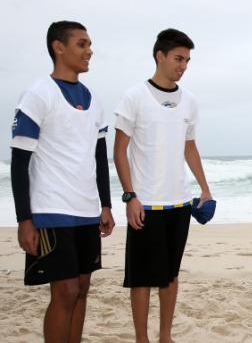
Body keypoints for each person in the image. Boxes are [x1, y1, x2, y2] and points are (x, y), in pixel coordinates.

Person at [10, 20, 115, 343]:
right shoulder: (38, 94)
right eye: (82, 44)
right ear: (59, 46)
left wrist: (106, 205)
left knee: (82, 288)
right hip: (51, 209)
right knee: (65, 290)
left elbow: (99, 159)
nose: (89, 51)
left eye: (89, 44)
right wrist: (25, 219)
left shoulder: (93, 99)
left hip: (86, 209)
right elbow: (19, 162)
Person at [113, 28, 212, 343]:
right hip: (146, 204)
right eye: (178, 58)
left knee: (170, 275)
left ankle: (165, 336)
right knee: (142, 278)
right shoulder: (135, 96)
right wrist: (130, 196)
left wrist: (205, 188)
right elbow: (119, 151)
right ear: (160, 56)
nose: (183, 66)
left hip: (180, 204)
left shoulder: (189, 101)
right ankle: (142, 338)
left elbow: (190, 148)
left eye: (187, 60)